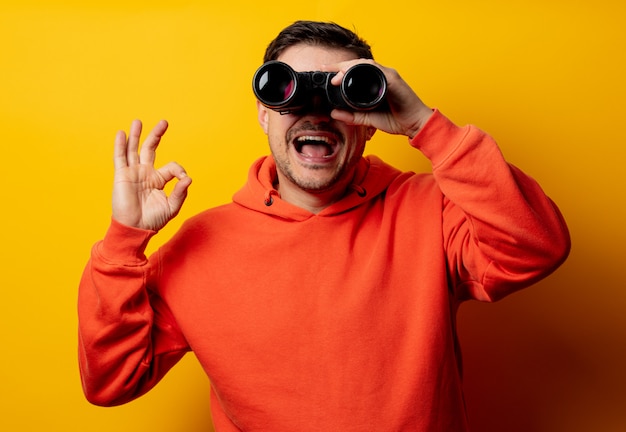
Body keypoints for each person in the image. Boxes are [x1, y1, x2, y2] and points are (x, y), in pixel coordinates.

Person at [78, 20, 570, 431]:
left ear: (373, 117)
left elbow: (536, 247)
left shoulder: (430, 210)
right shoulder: (201, 246)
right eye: (289, 90)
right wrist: (124, 241)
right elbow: (110, 382)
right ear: (264, 112)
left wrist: (425, 124)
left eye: (341, 93)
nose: (316, 110)